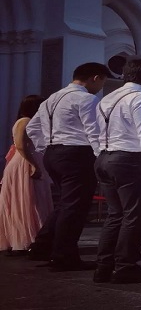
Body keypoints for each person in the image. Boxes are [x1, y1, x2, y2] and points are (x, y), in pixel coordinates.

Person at [26, 63, 110, 270]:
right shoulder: (86, 98)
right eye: (102, 82)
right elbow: (93, 131)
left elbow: (32, 128)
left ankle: (42, 247)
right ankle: (64, 256)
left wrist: (46, 148)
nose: (101, 87)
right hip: (77, 154)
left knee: (66, 204)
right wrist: (101, 157)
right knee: (75, 207)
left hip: (54, 154)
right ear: (95, 78)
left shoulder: (51, 99)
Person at [93, 58, 141, 284]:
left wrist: (103, 156)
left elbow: (95, 131)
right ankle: (126, 267)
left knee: (115, 215)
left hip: (105, 158)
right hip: (129, 161)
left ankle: (103, 268)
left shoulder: (107, 98)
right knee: (134, 216)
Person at [0, 95, 53, 255]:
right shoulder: (25, 121)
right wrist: (33, 164)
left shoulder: (28, 121)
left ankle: (34, 239)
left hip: (29, 160)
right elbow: (21, 145)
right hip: (25, 162)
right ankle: (28, 239)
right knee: (28, 199)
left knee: (31, 199)